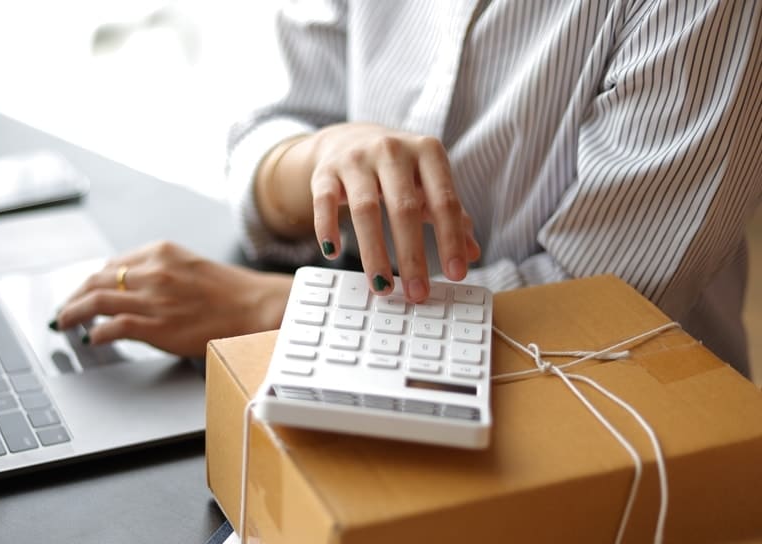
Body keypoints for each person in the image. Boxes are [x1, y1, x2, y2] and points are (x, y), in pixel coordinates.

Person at [51, 0, 762, 377]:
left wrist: (275, 308)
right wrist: (315, 158)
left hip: (620, 455)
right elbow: (267, 131)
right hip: (361, 392)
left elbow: (605, 313)